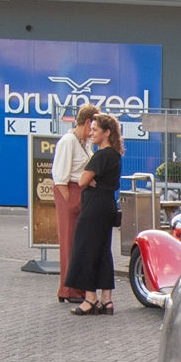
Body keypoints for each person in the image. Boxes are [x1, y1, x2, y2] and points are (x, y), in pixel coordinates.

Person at [64, 113, 124, 315]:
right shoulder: (115, 155)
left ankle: (90, 299)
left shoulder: (101, 155)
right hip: (107, 205)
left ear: (106, 133)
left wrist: (87, 179)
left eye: (95, 130)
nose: (91, 133)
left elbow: (82, 180)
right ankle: (107, 300)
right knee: (103, 251)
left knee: (85, 249)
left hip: (94, 207)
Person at [51, 103, 99, 302]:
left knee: (79, 243)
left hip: (80, 193)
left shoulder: (83, 143)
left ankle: (76, 287)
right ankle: (69, 289)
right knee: (69, 241)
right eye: (93, 127)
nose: (93, 132)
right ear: (87, 122)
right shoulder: (68, 142)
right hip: (70, 193)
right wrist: (70, 202)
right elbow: (60, 176)